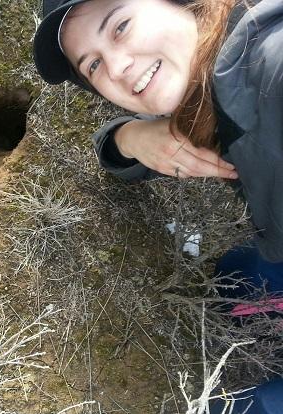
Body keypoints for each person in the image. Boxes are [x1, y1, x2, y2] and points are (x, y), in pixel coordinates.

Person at [33, 0, 283, 306]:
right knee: (235, 280)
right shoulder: (200, 101)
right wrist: (131, 138)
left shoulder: (268, 62)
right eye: (93, 65)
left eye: (120, 26)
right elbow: (109, 148)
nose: (116, 67)